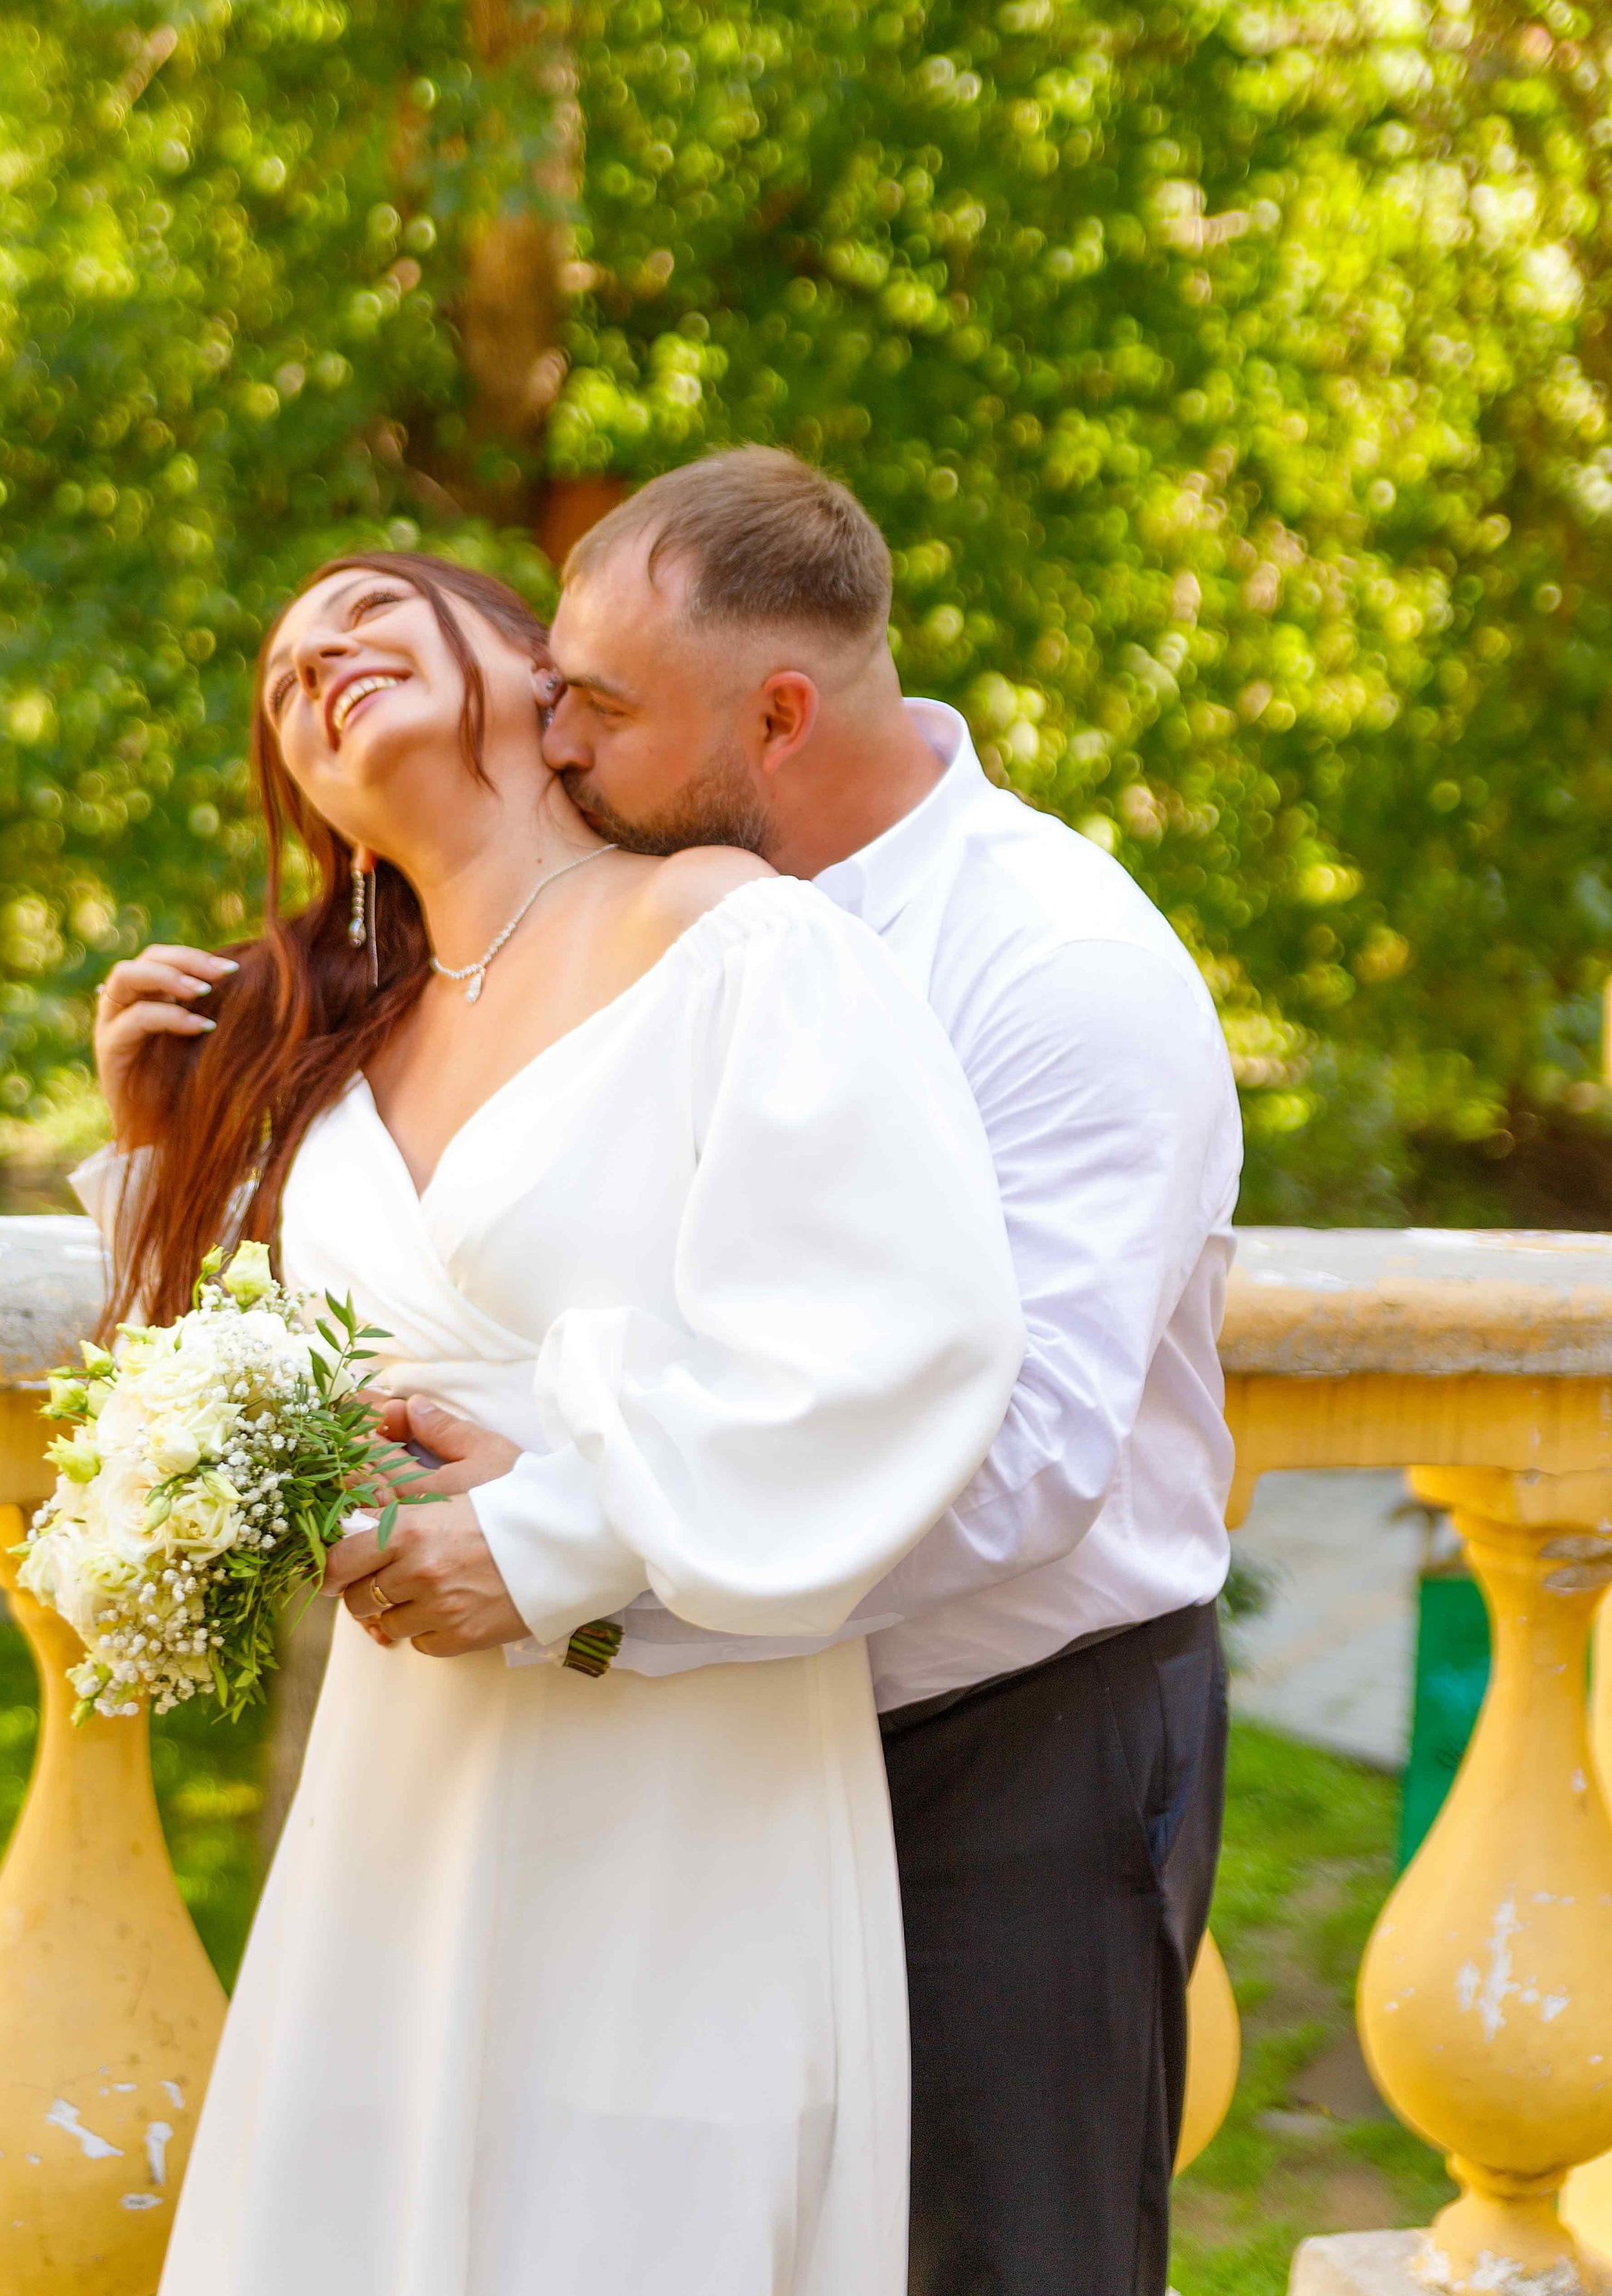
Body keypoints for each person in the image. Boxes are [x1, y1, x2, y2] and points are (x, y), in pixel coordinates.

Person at [79, 548, 1027, 2296]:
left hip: (675, 1772)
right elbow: (243, 1389)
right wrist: (174, 1135)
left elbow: (903, 1329)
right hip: (401, 1780)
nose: (318, 666)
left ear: (535, 669)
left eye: (368, 613)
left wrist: (551, 1535)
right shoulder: (330, 1053)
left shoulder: (737, 938)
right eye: (284, 679)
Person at [377, 452, 1243, 2296]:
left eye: (598, 707)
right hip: (699, 1750)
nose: (558, 743)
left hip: (1010, 1755)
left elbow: (1015, 1465)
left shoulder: (1061, 973)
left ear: (776, 714)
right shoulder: (638, 912)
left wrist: (577, 1562)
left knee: (1000, 2263)